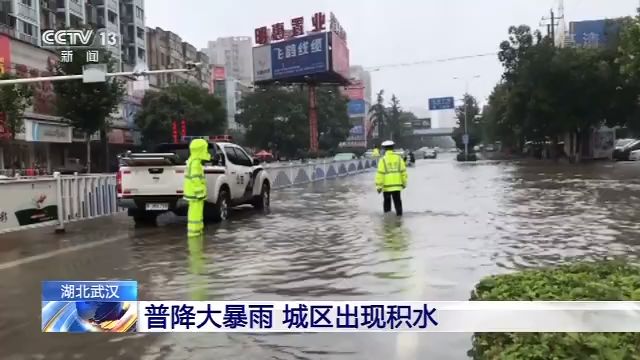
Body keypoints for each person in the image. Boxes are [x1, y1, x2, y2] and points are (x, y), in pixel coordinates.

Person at [183, 138, 211, 237]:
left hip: (193, 193)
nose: (206, 151)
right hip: (195, 194)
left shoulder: (192, 161)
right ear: (200, 150)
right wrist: (200, 193)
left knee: (195, 213)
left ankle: (197, 232)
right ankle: (194, 233)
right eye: (205, 149)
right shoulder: (195, 163)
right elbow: (195, 179)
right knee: (195, 213)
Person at [375, 140, 408, 216]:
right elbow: (403, 172)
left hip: (386, 187)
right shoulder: (399, 159)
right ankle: (399, 221)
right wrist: (404, 183)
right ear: (393, 148)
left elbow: (380, 174)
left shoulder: (382, 160)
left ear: (384, 149)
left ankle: (387, 223)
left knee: (387, 205)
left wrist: (379, 186)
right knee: (398, 203)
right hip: (397, 186)